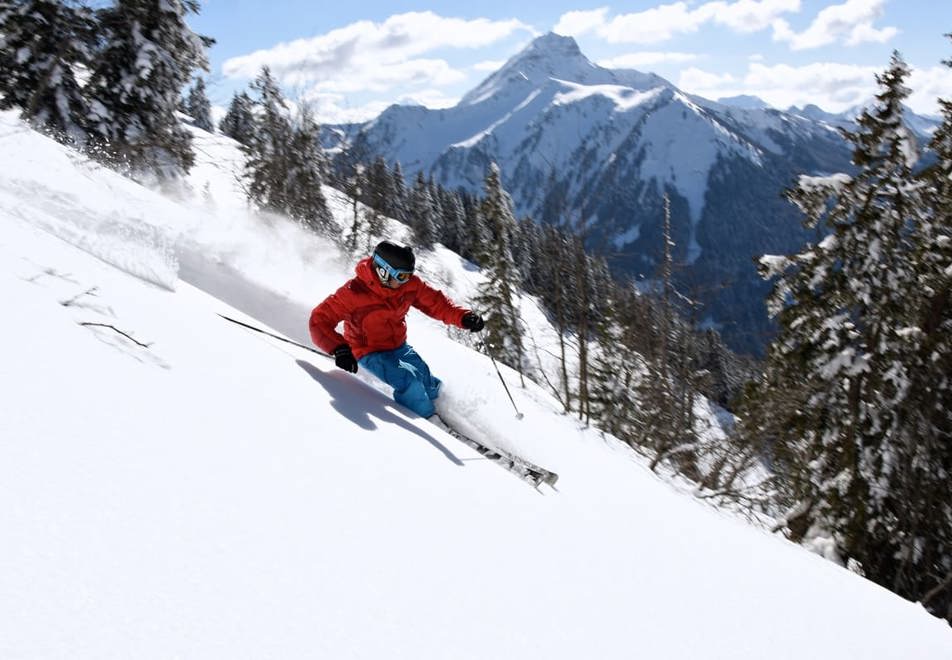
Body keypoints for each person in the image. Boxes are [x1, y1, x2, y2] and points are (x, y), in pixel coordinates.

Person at [309, 240, 484, 418]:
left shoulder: (408, 286)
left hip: (399, 347)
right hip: (369, 352)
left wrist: (463, 317)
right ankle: (429, 422)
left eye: (409, 276)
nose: (406, 281)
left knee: (426, 379)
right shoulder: (353, 293)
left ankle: (445, 414)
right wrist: (339, 348)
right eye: (401, 276)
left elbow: (436, 303)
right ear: (383, 271)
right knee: (411, 384)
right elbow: (319, 320)